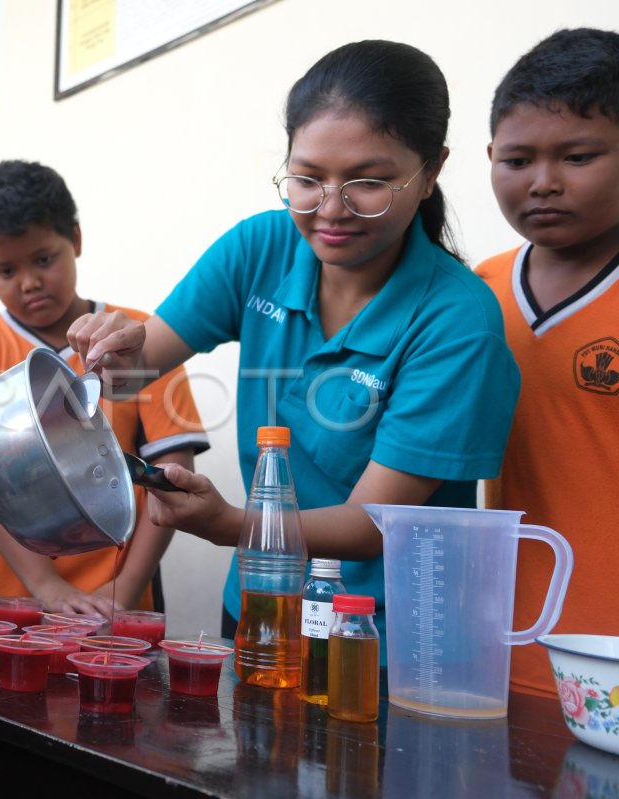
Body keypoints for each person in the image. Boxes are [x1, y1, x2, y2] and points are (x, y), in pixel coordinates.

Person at [68, 40, 521, 660]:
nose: (330, 210)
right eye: (306, 179)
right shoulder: (261, 247)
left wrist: (230, 525)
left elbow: (372, 525)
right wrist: (111, 349)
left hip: (385, 642)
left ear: (431, 171)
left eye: (370, 182)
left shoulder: (457, 321)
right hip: (260, 608)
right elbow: (137, 366)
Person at [0, 160, 209, 617]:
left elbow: (172, 468)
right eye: (5, 270)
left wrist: (120, 591)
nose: (29, 282)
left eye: (44, 259)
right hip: (14, 605)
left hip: (121, 602)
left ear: (75, 240)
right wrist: (46, 585)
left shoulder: (138, 336)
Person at [477, 28, 619, 698]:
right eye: (517, 160)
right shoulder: (473, 295)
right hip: (499, 654)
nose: (543, 184)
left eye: (579, 156)